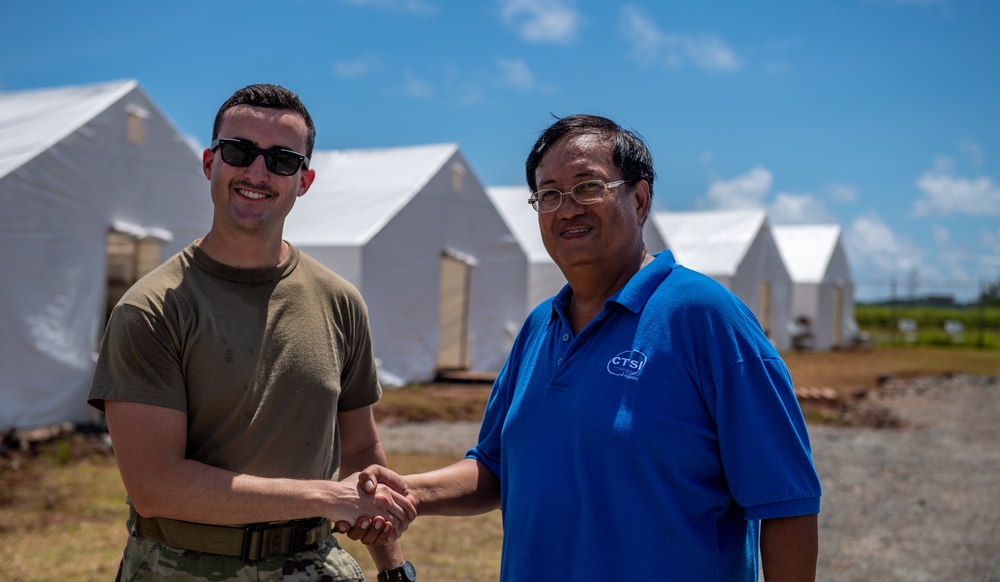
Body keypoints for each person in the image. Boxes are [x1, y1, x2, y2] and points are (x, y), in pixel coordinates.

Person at [353, 114, 821, 580]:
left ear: (640, 199)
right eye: (550, 194)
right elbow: (495, 466)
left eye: (587, 187)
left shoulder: (706, 317)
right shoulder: (540, 326)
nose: (567, 208)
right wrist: (405, 494)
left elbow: (787, 505)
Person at [88, 84, 416, 582]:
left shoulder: (340, 302)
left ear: (303, 181)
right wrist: (326, 497)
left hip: (315, 565)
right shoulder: (152, 309)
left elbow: (360, 452)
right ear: (209, 163)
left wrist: (393, 570)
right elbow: (156, 483)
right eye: (239, 151)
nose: (257, 173)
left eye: (282, 160)